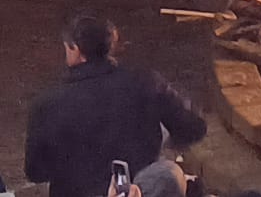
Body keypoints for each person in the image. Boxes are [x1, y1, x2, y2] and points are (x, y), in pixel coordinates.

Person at [24, 14, 208, 197]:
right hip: (135, 190)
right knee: (167, 172)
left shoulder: (46, 105)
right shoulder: (144, 82)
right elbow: (193, 127)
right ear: (111, 45)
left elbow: (36, 172)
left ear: (75, 50)